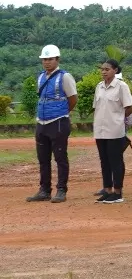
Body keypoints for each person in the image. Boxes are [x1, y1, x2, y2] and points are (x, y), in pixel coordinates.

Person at [27, 45, 77, 204]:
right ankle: (44, 190)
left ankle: (61, 190)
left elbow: (73, 98)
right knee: (43, 158)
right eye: (44, 59)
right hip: (41, 122)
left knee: (60, 157)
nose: (47, 62)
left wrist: (62, 113)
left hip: (58, 122)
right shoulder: (41, 77)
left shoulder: (65, 76)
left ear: (57, 60)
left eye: (50, 59)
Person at [92, 58, 132, 203]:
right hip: (100, 130)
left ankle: (118, 192)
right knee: (104, 161)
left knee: (115, 161)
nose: (104, 72)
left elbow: (130, 106)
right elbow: (96, 107)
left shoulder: (121, 87)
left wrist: (119, 119)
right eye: (102, 69)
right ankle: (107, 190)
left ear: (115, 71)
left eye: (107, 69)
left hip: (115, 130)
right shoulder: (99, 87)